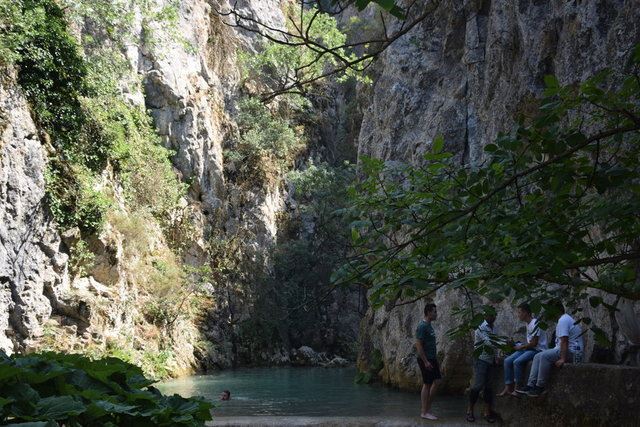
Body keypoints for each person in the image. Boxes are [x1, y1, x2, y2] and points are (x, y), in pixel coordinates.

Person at [517, 301, 583, 397]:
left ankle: (540, 386)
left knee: (544, 356)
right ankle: (530, 385)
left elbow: (564, 340)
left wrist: (562, 359)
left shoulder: (563, 320)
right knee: (537, 356)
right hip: (566, 349)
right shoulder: (563, 319)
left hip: (573, 352)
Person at [497, 302, 547, 396]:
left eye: (519, 312)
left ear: (526, 313)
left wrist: (521, 347)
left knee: (517, 362)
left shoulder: (535, 323)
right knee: (507, 360)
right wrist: (517, 345)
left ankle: (517, 387)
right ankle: (508, 387)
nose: (518, 315)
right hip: (529, 349)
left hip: (537, 350)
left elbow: (534, 343)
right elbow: (530, 342)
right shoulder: (528, 324)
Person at [467, 313, 499, 424]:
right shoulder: (480, 327)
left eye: (494, 315)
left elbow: (494, 345)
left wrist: (496, 357)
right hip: (481, 359)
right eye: (491, 315)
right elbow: (488, 342)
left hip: (490, 360)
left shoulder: (495, 328)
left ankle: (487, 412)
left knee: (488, 387)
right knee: (478, 385)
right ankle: (470, 410)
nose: (493, 317)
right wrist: (505, 343)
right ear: (485, 316)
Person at [415, 303, 441, 420]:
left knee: (437, 381)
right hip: (425, 359)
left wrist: (434, 359)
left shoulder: (429, 326)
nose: (436, 314)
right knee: (427, 384)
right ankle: (424, 412)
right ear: (428, 312)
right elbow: (419, 345)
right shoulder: (422, 326)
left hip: (432, 358)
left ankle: (427, 408)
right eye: (434, 312)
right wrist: (425, 361)